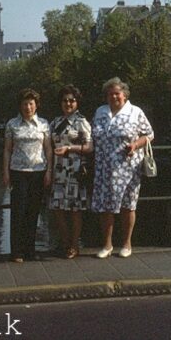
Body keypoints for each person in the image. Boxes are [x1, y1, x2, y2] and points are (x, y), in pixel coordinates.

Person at [90, 77, 154, 259]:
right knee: (105, 207)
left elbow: (149, 134)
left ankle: (126, 243)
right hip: (104, 167)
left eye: (117, 93)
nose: (113, 97)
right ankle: (107, 244)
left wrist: (135, 144)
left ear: (124, 95)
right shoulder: (101, 112)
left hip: (127, 167)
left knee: (127, 206)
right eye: (110, 94)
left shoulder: (135, 112)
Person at [3, 88, 53, 262]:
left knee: (33, 213)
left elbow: (48, 149)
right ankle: (16, 252)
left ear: (36, 105)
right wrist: (5, 172)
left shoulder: (44, 125)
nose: (28, 107)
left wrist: (49, 171)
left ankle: (29, 250)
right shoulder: (12, 124)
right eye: (24, 104)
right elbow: (8, 150)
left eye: (31, 104)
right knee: (18, 212)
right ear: (20, 106)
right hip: (18, 172)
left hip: (38, 171)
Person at [48, 85, 93, 259]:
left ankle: (74, 245)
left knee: (75, 210)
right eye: (65, 100)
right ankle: (65, 242)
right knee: (57, 208)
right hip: (58, 171)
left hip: (75, 171)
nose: (68, 103)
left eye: (72, 100)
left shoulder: (82, 122)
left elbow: (89, 147)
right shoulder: (55, 122)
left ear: (77, 102)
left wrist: (69, 148)